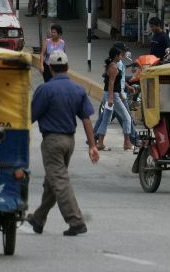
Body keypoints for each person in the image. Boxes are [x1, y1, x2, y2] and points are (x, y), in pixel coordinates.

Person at [27, 51, 98, 236]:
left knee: (59, 181)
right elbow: (86, 119)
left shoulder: (45, 90)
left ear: (50, 68)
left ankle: (76, 221)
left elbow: (30, 117)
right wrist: (92, 146)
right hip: (69, 142)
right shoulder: (78, 89)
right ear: (67, 68)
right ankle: (38, 218)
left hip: (52, 141)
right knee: (52, 182)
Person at [93, 47, 132, 151]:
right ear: (115, 56)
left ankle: (100, 143)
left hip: (110, 95)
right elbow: (111, 84)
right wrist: (111, 99)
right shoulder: (114, 67)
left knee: (106, 119)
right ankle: (127, 143)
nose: (121, 57)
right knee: (127, 118)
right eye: (120, 55)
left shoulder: (110, 65)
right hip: (112, 96)